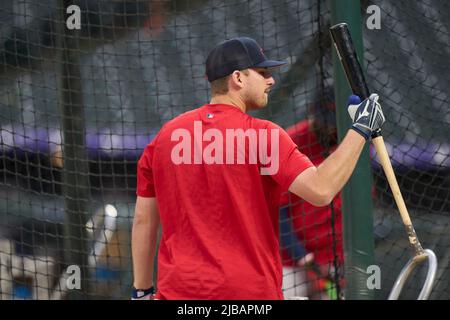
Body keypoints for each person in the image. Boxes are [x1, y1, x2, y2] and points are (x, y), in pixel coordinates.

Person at [131, 36, 385, 300]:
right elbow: (321, 190)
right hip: (249, 293)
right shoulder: (263, 135)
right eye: (263, 73)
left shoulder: (165, 137)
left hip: (180, 293)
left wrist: (142, 289)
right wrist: (361, 130)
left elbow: (143, 220)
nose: (271, 80)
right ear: (238, 78)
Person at [280, 86, 344, 299]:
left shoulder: (351, 144)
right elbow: (276, 212)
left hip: (335, 258)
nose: (329, 130)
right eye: (325, 122)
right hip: (289, 257)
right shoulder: (291, 142)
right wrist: (303, 256)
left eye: (334, 124)